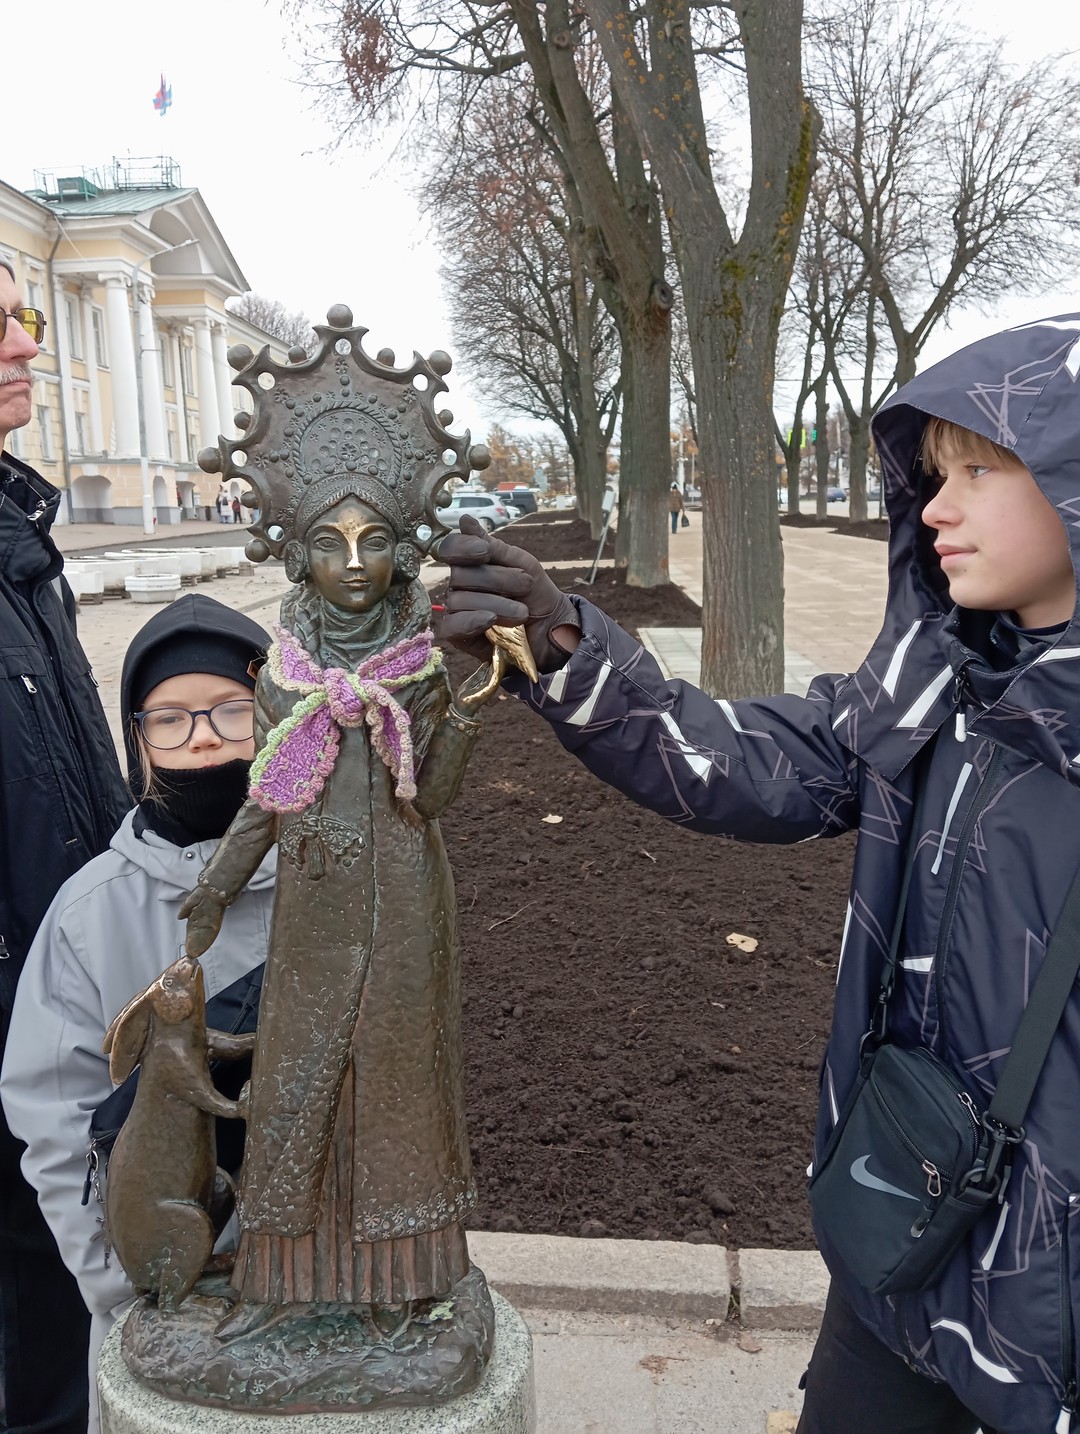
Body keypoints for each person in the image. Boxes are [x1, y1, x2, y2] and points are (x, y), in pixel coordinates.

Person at [438, 315, 1080, 1434]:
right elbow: (752, 765)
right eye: (934, 475)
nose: (937, 508)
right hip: (904, 1254)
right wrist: (569, 652)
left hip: (1053, 1336)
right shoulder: (935, 694)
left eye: (981, 469)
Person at [0, 593, 273, 1425]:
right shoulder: (92, 913)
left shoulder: (333, 886)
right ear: (137, 736)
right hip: (158, 1293)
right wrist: (123, 1287)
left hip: (314, 1278)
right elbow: (53, 1120)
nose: (204, 736)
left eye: (233, 710)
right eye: (172, 719)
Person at [0, 259, 131, 1433]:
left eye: (25, 314)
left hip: (58, 996)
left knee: (52, 1301)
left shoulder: (18, 538)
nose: (28, 343)